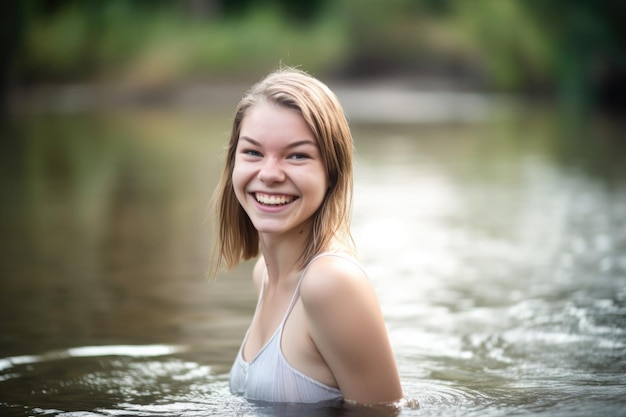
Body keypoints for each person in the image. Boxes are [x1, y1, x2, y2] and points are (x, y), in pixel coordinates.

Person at [210, 66, 403, 406]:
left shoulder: (330, 284)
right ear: (233, 163)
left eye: (297, 155)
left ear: (331, 173)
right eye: (253, 152)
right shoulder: (264, 275)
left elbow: (387, 414)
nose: (269, 174)